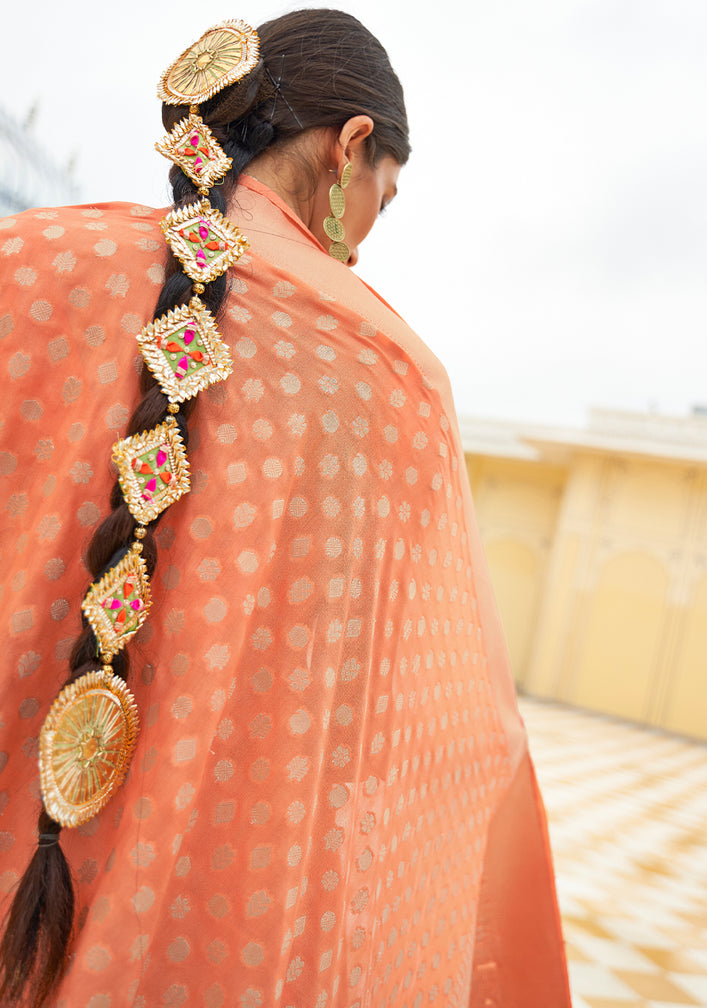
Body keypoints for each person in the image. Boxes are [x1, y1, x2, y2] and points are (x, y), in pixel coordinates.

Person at [0, 10, 571, 1007]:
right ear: (353, 145)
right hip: (211, 896)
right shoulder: (389, 373)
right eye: (383, 195)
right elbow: (417, 721)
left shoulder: (30, 261)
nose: (363, 247)